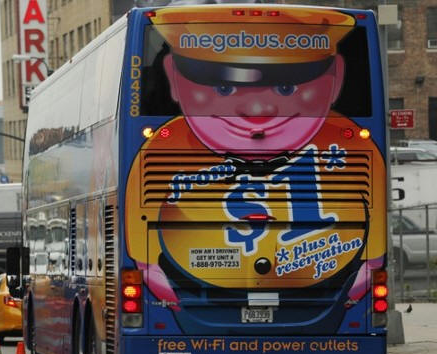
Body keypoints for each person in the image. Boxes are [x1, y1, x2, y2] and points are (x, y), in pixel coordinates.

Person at [124, 7, 386, 329]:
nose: (258, 109)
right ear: (174, 80)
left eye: (286, 88)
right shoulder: (166, 144)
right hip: (197, 289)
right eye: (223, 88)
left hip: (324, 291)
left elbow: (373, 229)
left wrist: (366, 271)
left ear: (336, 79)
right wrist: (152, 270)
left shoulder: (347, 141)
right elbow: (143, 235)